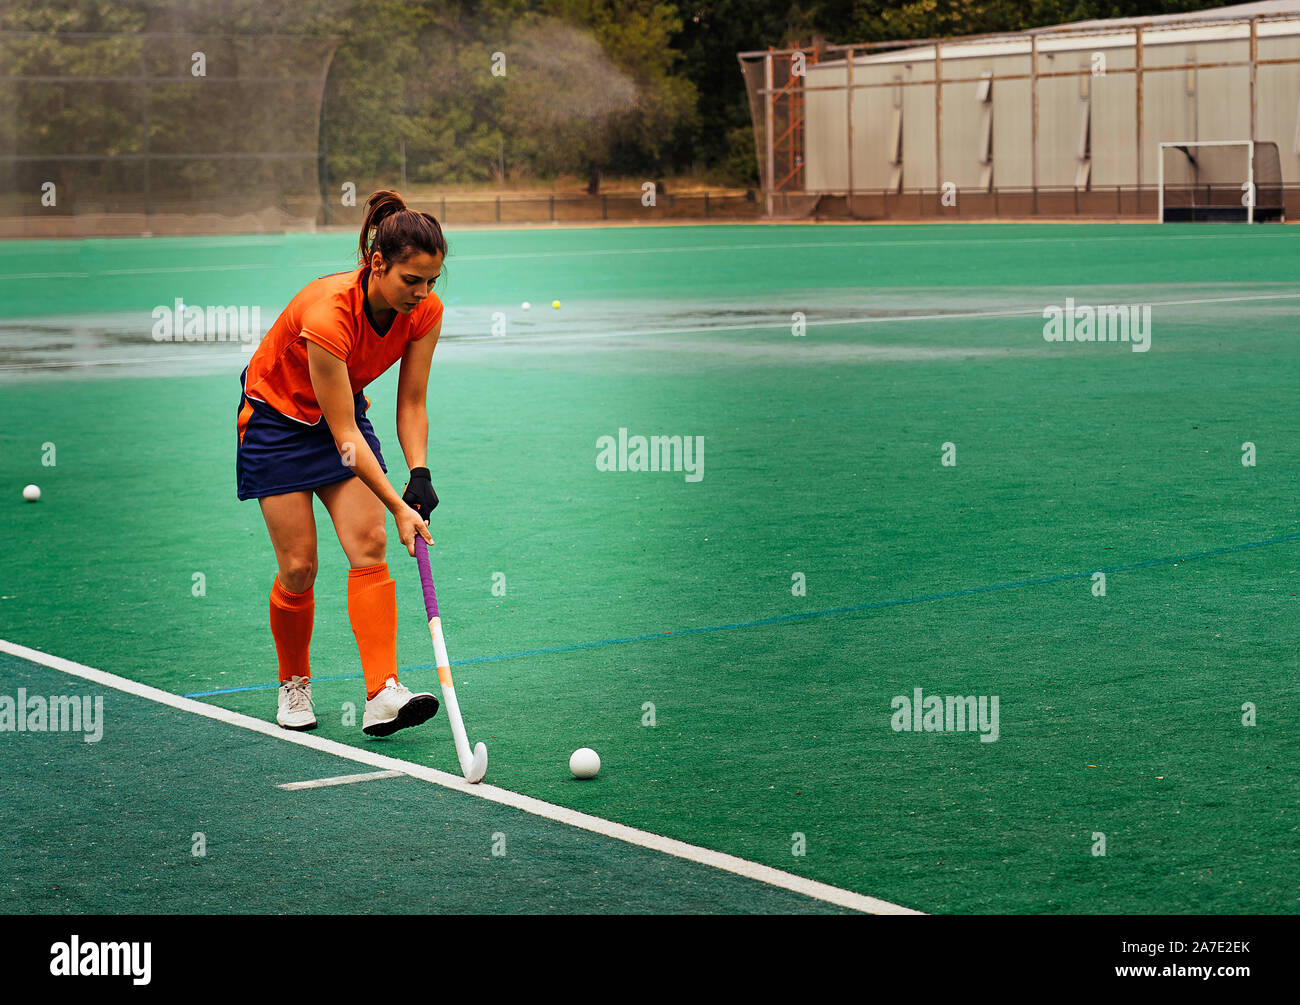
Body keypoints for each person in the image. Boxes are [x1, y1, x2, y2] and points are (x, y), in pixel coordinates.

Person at [235, 190, 446, 737]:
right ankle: (293, 681)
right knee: (299, 567)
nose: (421, 294)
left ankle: (382, 693)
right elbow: (345, 437)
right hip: (277, 425)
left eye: (431, 282)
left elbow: (412, 401)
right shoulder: (328, 313)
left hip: (340, 415)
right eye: (411, 281)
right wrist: (398, 505)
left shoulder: (423, 312)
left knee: (368, 545)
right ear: (378, 263)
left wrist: (418, 472)